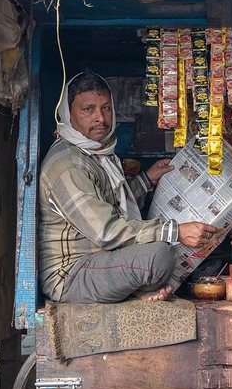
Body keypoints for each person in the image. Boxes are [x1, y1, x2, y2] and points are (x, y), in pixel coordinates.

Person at [38, 72, 217, 304]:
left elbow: (109, 203)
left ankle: (134, 289)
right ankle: (135, 289)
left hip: (100, 259)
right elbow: (107, 231)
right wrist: (176, 232)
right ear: (67, 115)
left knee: (157, 253)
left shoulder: (96, 152)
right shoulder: (68, 165)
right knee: (158, 257)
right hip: (71, 275)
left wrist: (146, 180)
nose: (100, 118)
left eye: (105, 108)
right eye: (88, 110)